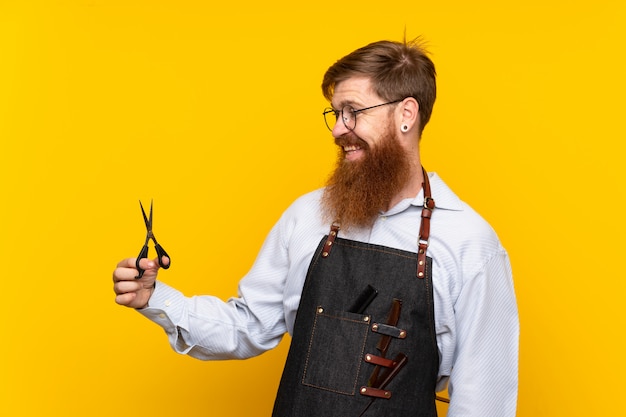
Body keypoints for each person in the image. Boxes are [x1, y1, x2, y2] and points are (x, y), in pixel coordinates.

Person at [113, 38, 519, 417]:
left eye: (353, 112)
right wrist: (155, 298)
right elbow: (248, 324)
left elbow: (484, 397)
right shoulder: (307, 216)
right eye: (335, 113)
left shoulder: (469, 244)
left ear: (406, 114)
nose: (338, 129)